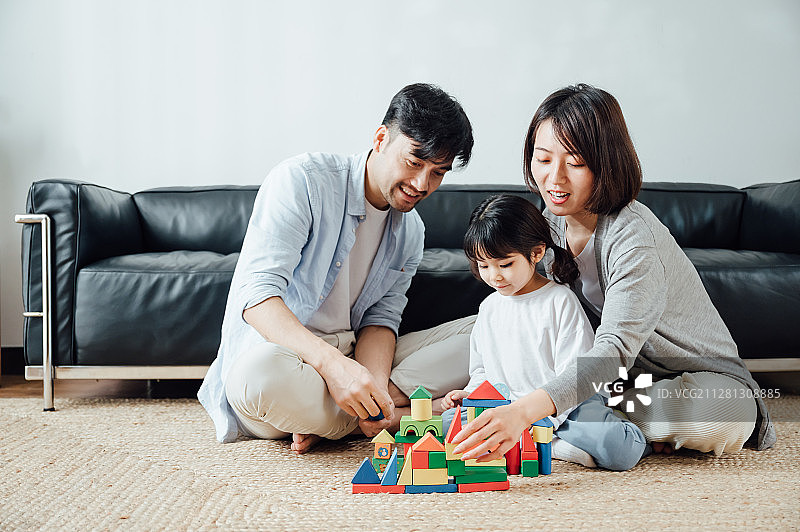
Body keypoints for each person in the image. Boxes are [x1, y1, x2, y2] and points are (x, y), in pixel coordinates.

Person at [452, 83, 775, 465]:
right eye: (543, 159)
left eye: (574, 163)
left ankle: (576, 420)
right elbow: (523, 313)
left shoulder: (633, 239)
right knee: (502, 331)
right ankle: (591, 421)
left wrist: (523, 411)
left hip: (697, 383)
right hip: (616, 383)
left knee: (706, 417)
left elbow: (613, 351)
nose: (554, 179)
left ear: (605, 164)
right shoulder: (547, 223)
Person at [198, 83, 476, 452]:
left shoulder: (411, 231)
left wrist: (371, 384)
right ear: (381, 138)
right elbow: (257, 295)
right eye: (414, 162)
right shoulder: (302, 181)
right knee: (257, 377)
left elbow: (380, 320)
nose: (422, 184)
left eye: (438, 172)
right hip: (287, 357)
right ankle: (398, 414)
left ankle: (362, 415)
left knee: (494, 324)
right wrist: (334, 369)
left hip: (352, 356)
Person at [440, 194, 648, 470]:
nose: (494, 276)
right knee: (448, 426)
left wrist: (538, 419)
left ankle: (545, 440)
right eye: (483, 266)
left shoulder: (559, 300)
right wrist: (471, 395)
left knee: (617, 449)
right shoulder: (489, 307)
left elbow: (574, 375)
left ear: (536, 253)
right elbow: (482, 371)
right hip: (511, 403)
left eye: (505, 264)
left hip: (568, 404)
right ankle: (554, 445)